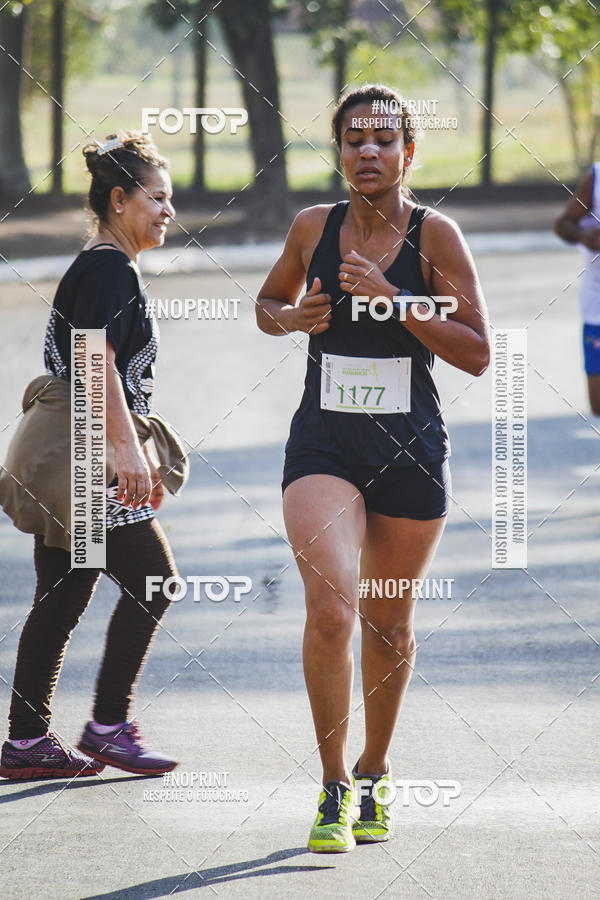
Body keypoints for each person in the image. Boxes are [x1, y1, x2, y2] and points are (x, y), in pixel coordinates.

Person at [255, 85, 490, 852]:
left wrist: (395, 301)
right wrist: (293, 319)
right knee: (331, 609)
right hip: (322, 445)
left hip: (410, 451)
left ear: (407, 154)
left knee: (386, 620)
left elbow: (478, 353)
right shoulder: (311, 227)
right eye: (355, 140)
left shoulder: (436, 237)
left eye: (383, 141)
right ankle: (329, 787)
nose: (368, 153)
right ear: (340, 150)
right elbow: (268, 304)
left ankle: (374, 772)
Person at [0, 131, 187, 780]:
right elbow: (93, 357)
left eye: (170, 200)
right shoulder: (109, 268)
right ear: (118, 200)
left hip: (75, 456)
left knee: (60, 597)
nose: (168, 212)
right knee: (156, 580)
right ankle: (108, 726)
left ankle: (27, 740)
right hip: (91, 461)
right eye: (157, 198)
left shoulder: (103, 263)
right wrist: (130, 453)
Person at [554, 163, 600, 415]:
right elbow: (563, 224)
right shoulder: (596, 179)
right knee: (598, 402)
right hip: (597, 308)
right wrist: (585, 237)